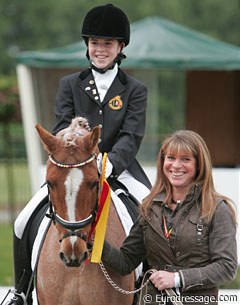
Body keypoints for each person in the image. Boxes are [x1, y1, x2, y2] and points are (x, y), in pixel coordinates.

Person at [6, 4, 151, 305]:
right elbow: (61, 126)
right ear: (87, 45)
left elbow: (132, 135)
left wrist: (106, 165)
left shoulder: (134, 89)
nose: (101, 49)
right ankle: (21, 290)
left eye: (108, 44)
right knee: (22, 220)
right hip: (73, 169)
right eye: (95, 43)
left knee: (151, 217)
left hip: (119, 168)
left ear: (120, 47)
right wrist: (77, 152)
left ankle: (153, 289)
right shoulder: (69, 84)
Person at [101, 130, 238, 305]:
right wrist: (94, 242)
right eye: (171, 158)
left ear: (199, 165)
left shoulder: (217, 209)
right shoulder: (148, 207)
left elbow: (226, 267)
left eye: (185, 159)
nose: (176, 165)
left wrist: (178, 279)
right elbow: (126, 262)